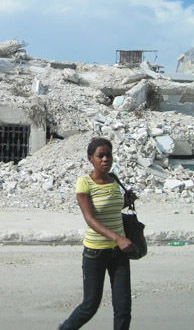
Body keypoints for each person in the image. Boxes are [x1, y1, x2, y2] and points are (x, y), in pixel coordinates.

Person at [59, 137, 137, 330]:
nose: (105, 159)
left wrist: (127, 201)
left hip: (119, 253)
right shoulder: (84, 183)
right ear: (90, 159)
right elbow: (90, 218)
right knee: (90, 306)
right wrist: (118, 238)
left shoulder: (114, 179)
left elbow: (112, 210)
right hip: (96, 252)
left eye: (108, 155)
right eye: (100, 156)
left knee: (123, 308)